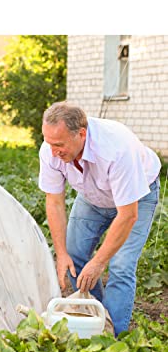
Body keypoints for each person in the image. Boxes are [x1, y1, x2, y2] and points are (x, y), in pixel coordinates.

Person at [39, 101, 161, 337]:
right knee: (74, 257)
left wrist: (98, 262)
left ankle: (112, 339)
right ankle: (95, 320)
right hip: (92, 197)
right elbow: (54, 202)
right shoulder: (50, 150)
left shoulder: (116, 147)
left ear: (81, 134)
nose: (53, 151)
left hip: (137, 196)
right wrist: (61, 253)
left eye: (59, 145)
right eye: (49, 143)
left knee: (121, 265)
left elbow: (128, 214)